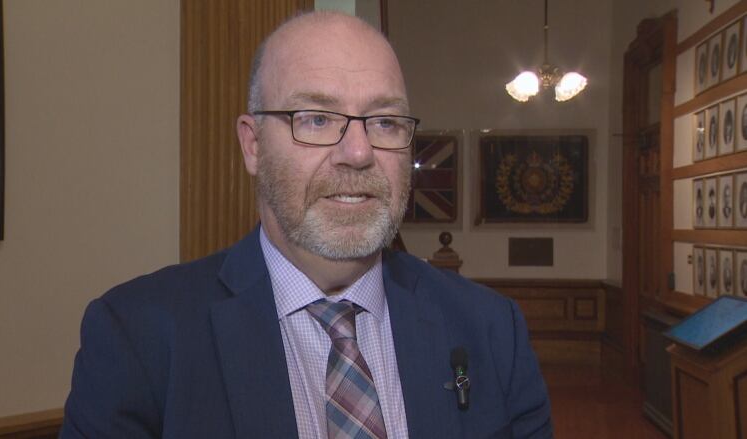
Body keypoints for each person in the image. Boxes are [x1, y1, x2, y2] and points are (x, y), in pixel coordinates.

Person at [61, 11, 551, 439]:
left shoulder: (491, 329)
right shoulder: (138, 337)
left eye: (384, 122)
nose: (359, 153)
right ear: (253, 145)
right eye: (316, 118)